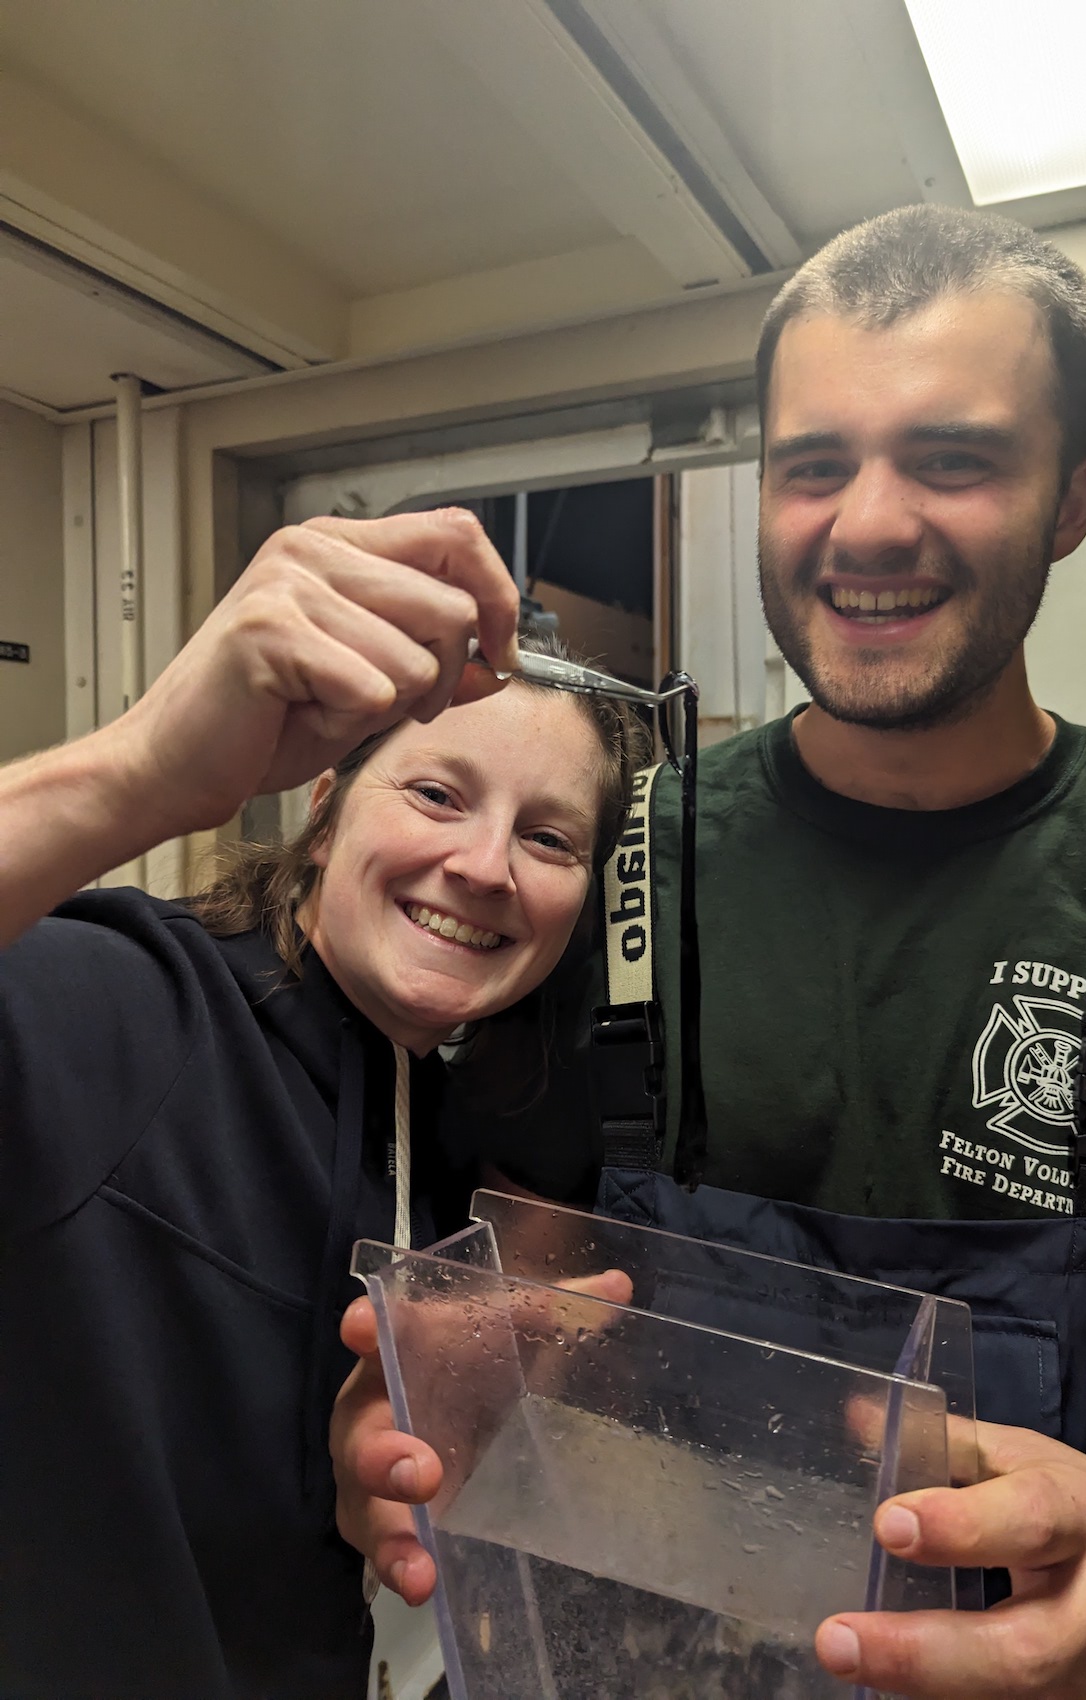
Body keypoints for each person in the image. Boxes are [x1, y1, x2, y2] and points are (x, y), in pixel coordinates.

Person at [337, 207, 1086, 1698]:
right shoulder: (606, 867)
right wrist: (413, 1413)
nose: (870, 524)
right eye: (813, 465)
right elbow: (520, 1295)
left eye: (954, 459)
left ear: (1074, 497)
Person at [0, 508, 642, 1700]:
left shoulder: (453, 1124)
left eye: (547, 835)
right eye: (440, 793)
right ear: (326, 800)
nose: (487, 864)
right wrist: (136, 768)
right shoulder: (132, 1008)